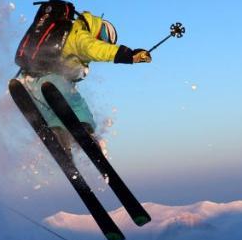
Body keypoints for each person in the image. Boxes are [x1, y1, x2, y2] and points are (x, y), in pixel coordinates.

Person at [16, 10, 152, 149]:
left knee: (56, 110)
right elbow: (95, 48)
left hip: (31, 82)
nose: (102, 40)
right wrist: (128, 55)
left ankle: (60, 137)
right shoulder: (80, 35)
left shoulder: (68, 30)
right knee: (77, 104)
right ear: (98, 28)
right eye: (104, 35)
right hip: (51, 83)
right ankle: (84, 131)